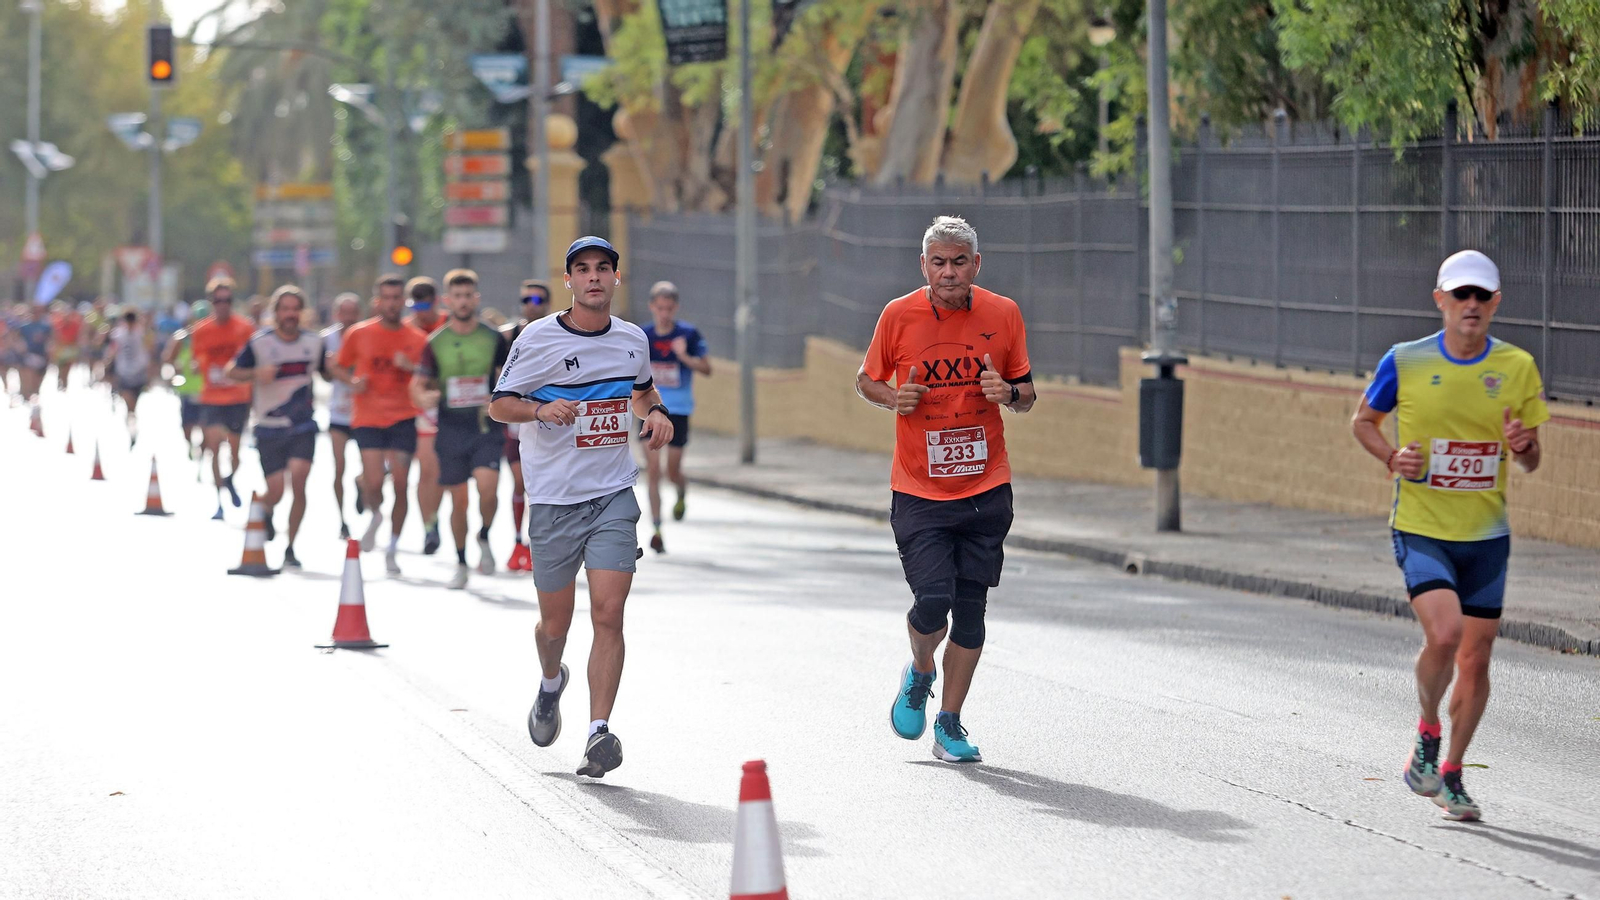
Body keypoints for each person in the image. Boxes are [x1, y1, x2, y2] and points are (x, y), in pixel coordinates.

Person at [1350, 250, 1549, 822]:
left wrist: (1523, 447)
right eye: (1461, 294)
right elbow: (1363, 422)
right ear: (1440, 299)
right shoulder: (1405, 360)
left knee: (1477, 660)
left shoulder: (1517, 367)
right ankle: (1428, 730)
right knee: (1446, 632)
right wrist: (1393, 457)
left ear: (1496, 303)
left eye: (1482, 295)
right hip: (1422, 528)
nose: (1471, 304)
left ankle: (1452, 773)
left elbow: (1531, 459)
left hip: (1486, 536)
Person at [489, 236, 673, 779]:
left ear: (616, 277)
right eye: (583, 269)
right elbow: (499, 405)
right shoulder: (537, 337)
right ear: (568, 280)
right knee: (555, 626)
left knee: (609, 613)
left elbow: (642, 391)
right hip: (553, 500)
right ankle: (551, 683)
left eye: (603, 268)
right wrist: (540, 411)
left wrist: (657, 412)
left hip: (612, 494)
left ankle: (598, 732)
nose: (594, 277)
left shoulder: (632, 339)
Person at [856, 215, 1036, 765]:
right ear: (924, 266)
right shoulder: (898, 315)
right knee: (933, 601)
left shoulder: (1003, 313)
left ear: (976, 265)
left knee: (972, 613)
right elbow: (866, 379)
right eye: (939, 262)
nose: (949, 272)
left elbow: (1027, 394)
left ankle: (950, 723)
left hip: (986, 486)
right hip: (919, 489)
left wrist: (1007, 393)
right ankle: (920, 671)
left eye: (959, 262)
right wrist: (894, 399)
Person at [412, 269, 510, 589]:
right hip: (451, 428)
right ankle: (461, 561)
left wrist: (500, 395)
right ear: (447, 300)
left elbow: (509, 377)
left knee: (488, 488)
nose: (463, 301)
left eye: (468, 295)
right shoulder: (435, 342)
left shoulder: (493, 337)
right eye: (457, 296)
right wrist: (425, 397)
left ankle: (484, 535)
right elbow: (419, 385)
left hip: (485, 426)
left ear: (476, 298)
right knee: (459, 501)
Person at [334, 274, 426, 576]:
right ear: (377, 302)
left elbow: (429, 377)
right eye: (386, 298)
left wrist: (411, 368)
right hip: (368, 417)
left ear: (404, 301)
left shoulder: (417, 339)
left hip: (403, 416)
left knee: (401, 484)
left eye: (396, 298)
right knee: (374, 482)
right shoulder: (359, 333)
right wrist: (352, 382)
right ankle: (375, 514)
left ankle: (393, 547)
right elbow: (336, 365)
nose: (391, 304)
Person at [227, 286, 324, 570]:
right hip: (269, 427)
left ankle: (291, 547)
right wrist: (256, 373)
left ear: (302, 312)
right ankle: (265, 510)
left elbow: (329, 372)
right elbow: (232, 372)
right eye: (285, 309)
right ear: (276, 312)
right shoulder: (260, 342)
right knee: (277, 490)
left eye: (295, 309)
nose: (290, 314)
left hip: (302, 424)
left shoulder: (314, 342)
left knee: (299, 480)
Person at [640, 281, 710, 554]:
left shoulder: (688, 334)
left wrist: (684, 356)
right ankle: (657, 529)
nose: (664, 314)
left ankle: (681, 489)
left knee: (671, 472)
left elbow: (707, 369)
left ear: (676, 308)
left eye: (669, 309)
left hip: (678, 412)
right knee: (653, 471)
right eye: (660, 308)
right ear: (652, 307)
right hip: (649, 409)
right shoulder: (643, 336)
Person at [190, 278, 255, 519]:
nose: (223, 305)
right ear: (211, 302)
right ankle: (219, 502)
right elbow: (196, 359)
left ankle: (229, 479)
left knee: (235, 453)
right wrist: (197, 367)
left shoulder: (245, 327)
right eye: (218, 300)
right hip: (211, 397)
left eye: (227, 300)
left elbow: (253, 360)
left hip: (238, 397)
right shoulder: (201, 330)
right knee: (214, 448)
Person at [499, 280, 552, 572]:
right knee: (520, 481)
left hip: (546, 420)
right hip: (516, 420)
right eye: (526, 300)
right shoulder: (507, 336)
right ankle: (518, 541)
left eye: (538, 300)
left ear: (547, 303)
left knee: (539, 487)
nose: (532, 305)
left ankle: (536, 545)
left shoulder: (557, 335)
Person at [404, 277, 448, 556]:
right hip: (411, 408)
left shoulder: (448, 325)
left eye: (425, 306)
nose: (420, 312)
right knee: (425, 470)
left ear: (436, 302)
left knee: (438, 470)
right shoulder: (406, 329)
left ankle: (433, 520)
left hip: (442, 406)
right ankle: (429, 526)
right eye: (415, 306)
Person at [322, 292, 363, 540]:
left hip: (364, 412)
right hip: (338, 412)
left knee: (374, 469)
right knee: (339, 468)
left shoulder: (366, 335)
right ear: (337, 314)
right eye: (344, 312)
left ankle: (362, 482)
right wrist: (331, 370)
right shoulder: (327, 339)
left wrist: (341, 368)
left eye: (353, 312)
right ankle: (342, 520)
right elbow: (323, 374)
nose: (348, 317)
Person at [163, 300, 210, 462]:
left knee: (206, 426)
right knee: (187, 424)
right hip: (187, 388)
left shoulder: (214, 337)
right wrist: (176, 366)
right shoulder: (182, 337)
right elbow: (168, 357)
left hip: (207, 389)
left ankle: (203, 453)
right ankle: (190, 445)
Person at [106, 307, 155, 446]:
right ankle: (131, 427)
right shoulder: (118, 334)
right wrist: (107, 365)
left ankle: (132, 422)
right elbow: (113, 350)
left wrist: (150, 375)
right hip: (124, 373)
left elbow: (150, 352)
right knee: (128, 402)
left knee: (134, 405)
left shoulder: (143, 334)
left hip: (139, 373)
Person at [16, 303, 53, 432]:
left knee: (37, 386)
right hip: (28, 357)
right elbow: (17, 339)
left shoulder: (46, 326)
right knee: (30, 385)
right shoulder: (24, 326)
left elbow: (51, 340)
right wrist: (21, 348)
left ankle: (34, 408)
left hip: (42, 357)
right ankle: (33, 413)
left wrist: (50, 352)